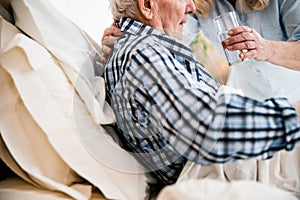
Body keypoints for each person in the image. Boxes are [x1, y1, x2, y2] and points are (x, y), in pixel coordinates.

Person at [105, 0, 300, 193]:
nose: (191, 8)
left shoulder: (143, 49)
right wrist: (292, 116)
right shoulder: (142, 53)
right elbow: (208, 128)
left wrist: (267, 48)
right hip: (245, 156)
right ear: (147, 5)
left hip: (276, 107)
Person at [101, 0, 300, 80]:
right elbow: (169, 34)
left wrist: (266, 49)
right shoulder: (196, 3)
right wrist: (126, 34)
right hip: (249, 94)